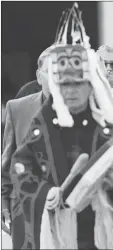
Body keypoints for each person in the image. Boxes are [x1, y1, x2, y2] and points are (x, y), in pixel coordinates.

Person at [9, 4, 113, 249]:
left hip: (104, 233)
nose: (71, 91)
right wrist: (46, 194)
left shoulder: (109, 124)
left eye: (78, 83)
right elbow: (20, 169)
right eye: (64, 84)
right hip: (56, 233)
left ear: (91, 85)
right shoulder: (42, 123)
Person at [1, 46, 52, 248]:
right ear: (39, 77)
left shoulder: (84, 111)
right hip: (24, 209)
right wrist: (4, 205)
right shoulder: (17, 108)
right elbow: (7, 161)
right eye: (51, 72)